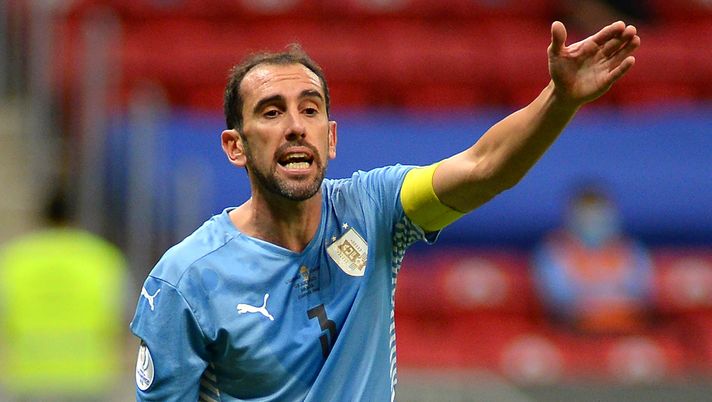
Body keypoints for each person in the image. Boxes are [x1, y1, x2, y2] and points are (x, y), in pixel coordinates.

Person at [130, 21, 640, 401]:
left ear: (330, 139)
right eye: (271, 112)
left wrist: (560, 99)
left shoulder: (374, 208)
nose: (295, 126)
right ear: (235, 146)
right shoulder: (186, 279)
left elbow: (486, 167)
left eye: (310, 109)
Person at [0, 190, 128, 402]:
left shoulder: (14, 260)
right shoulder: (103, 258)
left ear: (41, 218)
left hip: (29, 378)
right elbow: (123, 317)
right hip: (89, 377)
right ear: (75, 219)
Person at [532, 183, 654, 334]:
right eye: (586, 217)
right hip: (574, 333)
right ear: (571, 217)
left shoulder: (631, 250)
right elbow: (559, 300)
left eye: (599, 215)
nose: (593, 222)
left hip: (627, 329)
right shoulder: (553, 251)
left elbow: (640, 295)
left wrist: (604, 304)